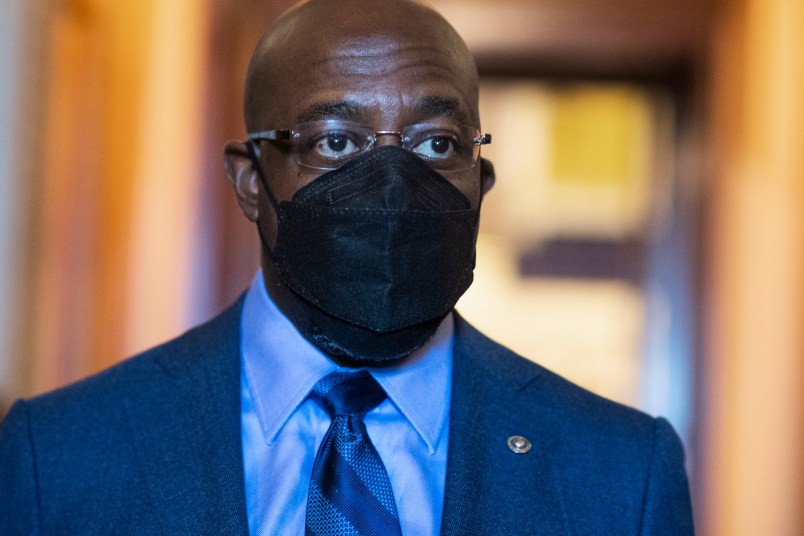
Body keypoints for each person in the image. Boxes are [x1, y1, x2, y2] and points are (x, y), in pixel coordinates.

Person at [0, 0, 694, 534]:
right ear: (249, 181)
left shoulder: (622, 474)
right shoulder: (56, 457)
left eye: (436, 142)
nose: (390, 183)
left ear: (480, 180)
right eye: (335, 140)